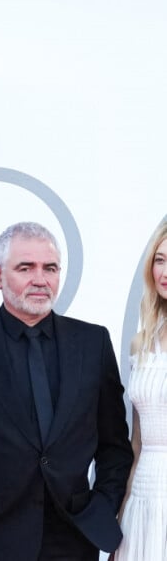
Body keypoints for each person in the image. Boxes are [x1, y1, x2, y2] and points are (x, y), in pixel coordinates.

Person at [0, 222, 133, 561]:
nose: (40, 279)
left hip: (74, 540)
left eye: (50, 268)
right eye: (25, 267)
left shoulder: (93, 343)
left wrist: (102, 508)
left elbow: (115, 447)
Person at [114, 221, 167, 560]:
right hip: (143, 498)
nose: (165, 271)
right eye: (160, 259)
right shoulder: (141, 342)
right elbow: (136, 442)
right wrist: (120, 513)